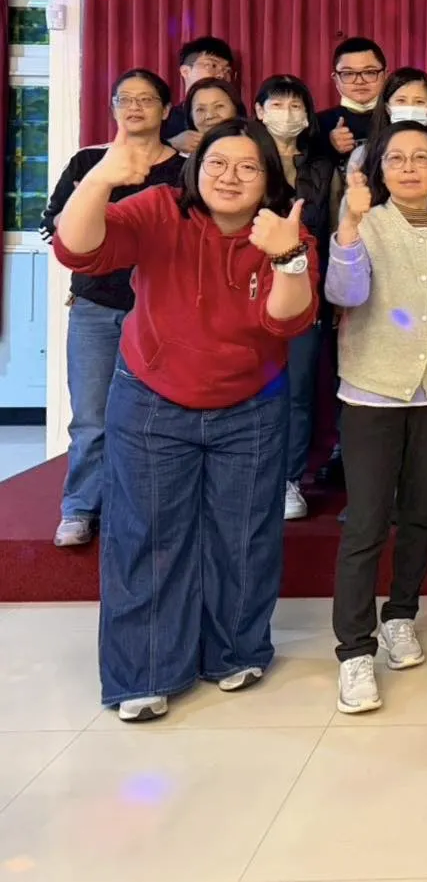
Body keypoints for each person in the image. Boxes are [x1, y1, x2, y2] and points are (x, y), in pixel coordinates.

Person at [51, 118, 317, 722]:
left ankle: (235, 650)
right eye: (218, 163)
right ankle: (144, 671)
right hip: (151, 397)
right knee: (144, 534)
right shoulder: (158, 208)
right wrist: (101, 179)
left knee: (244, 534)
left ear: (268, 179)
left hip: (250, 404)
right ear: (197, 169)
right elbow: (78, 248)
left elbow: (287, 321)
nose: (230, 177)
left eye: (248, 167)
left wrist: (288, 256)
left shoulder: (283, 229)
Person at [326, 121, 427, 714]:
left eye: (422, 158)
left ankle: (401, 615)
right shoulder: (364, 224)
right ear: (380, 170)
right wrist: (349, 226)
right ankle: (355, 650)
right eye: (397, 159)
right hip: (372, 392)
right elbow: (344, 295)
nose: (410, 168)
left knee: (420, 514)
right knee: (366, 522)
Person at [41, 69, 186, 548]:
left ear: (167, 110)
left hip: (160, 311)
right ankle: (80, 507)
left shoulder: (186, 169)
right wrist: (99, 193)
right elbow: (52, 225)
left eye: (147, 99)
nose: (135, 107)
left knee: (156, 418)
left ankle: (140, 510)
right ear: (112, 108)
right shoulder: (89, 161)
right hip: (95, 307)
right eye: (125, 99)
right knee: (90, 415)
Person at [253, 75, 337, 521]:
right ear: (259, 111)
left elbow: (333, 229)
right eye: (277, 105)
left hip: (306, 289)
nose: (287, 114)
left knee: (298, 391)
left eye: (295, 105)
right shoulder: (245, 158)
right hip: (249, 290)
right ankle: (249, 476)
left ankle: (288, 480)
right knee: (250, 387)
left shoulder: (321, 167)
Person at [343, 67, 427, 224]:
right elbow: (346, 223)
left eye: (419, 102)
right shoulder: (363, 155)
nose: (410, 108)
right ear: (387, 107)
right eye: (401, 101)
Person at [318, 36, 388, 163]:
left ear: (385, 75)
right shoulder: (317, 124)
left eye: (369, 72)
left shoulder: (398, 118)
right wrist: (328, 146)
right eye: (348, 74)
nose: (359, 81)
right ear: (335, 79)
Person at [162, 36, 235, 151]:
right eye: (212, 66)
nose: (221, 75)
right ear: (185, 71)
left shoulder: (238, 118)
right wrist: (171, 144)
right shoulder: (164, 118)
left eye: (227, 70)